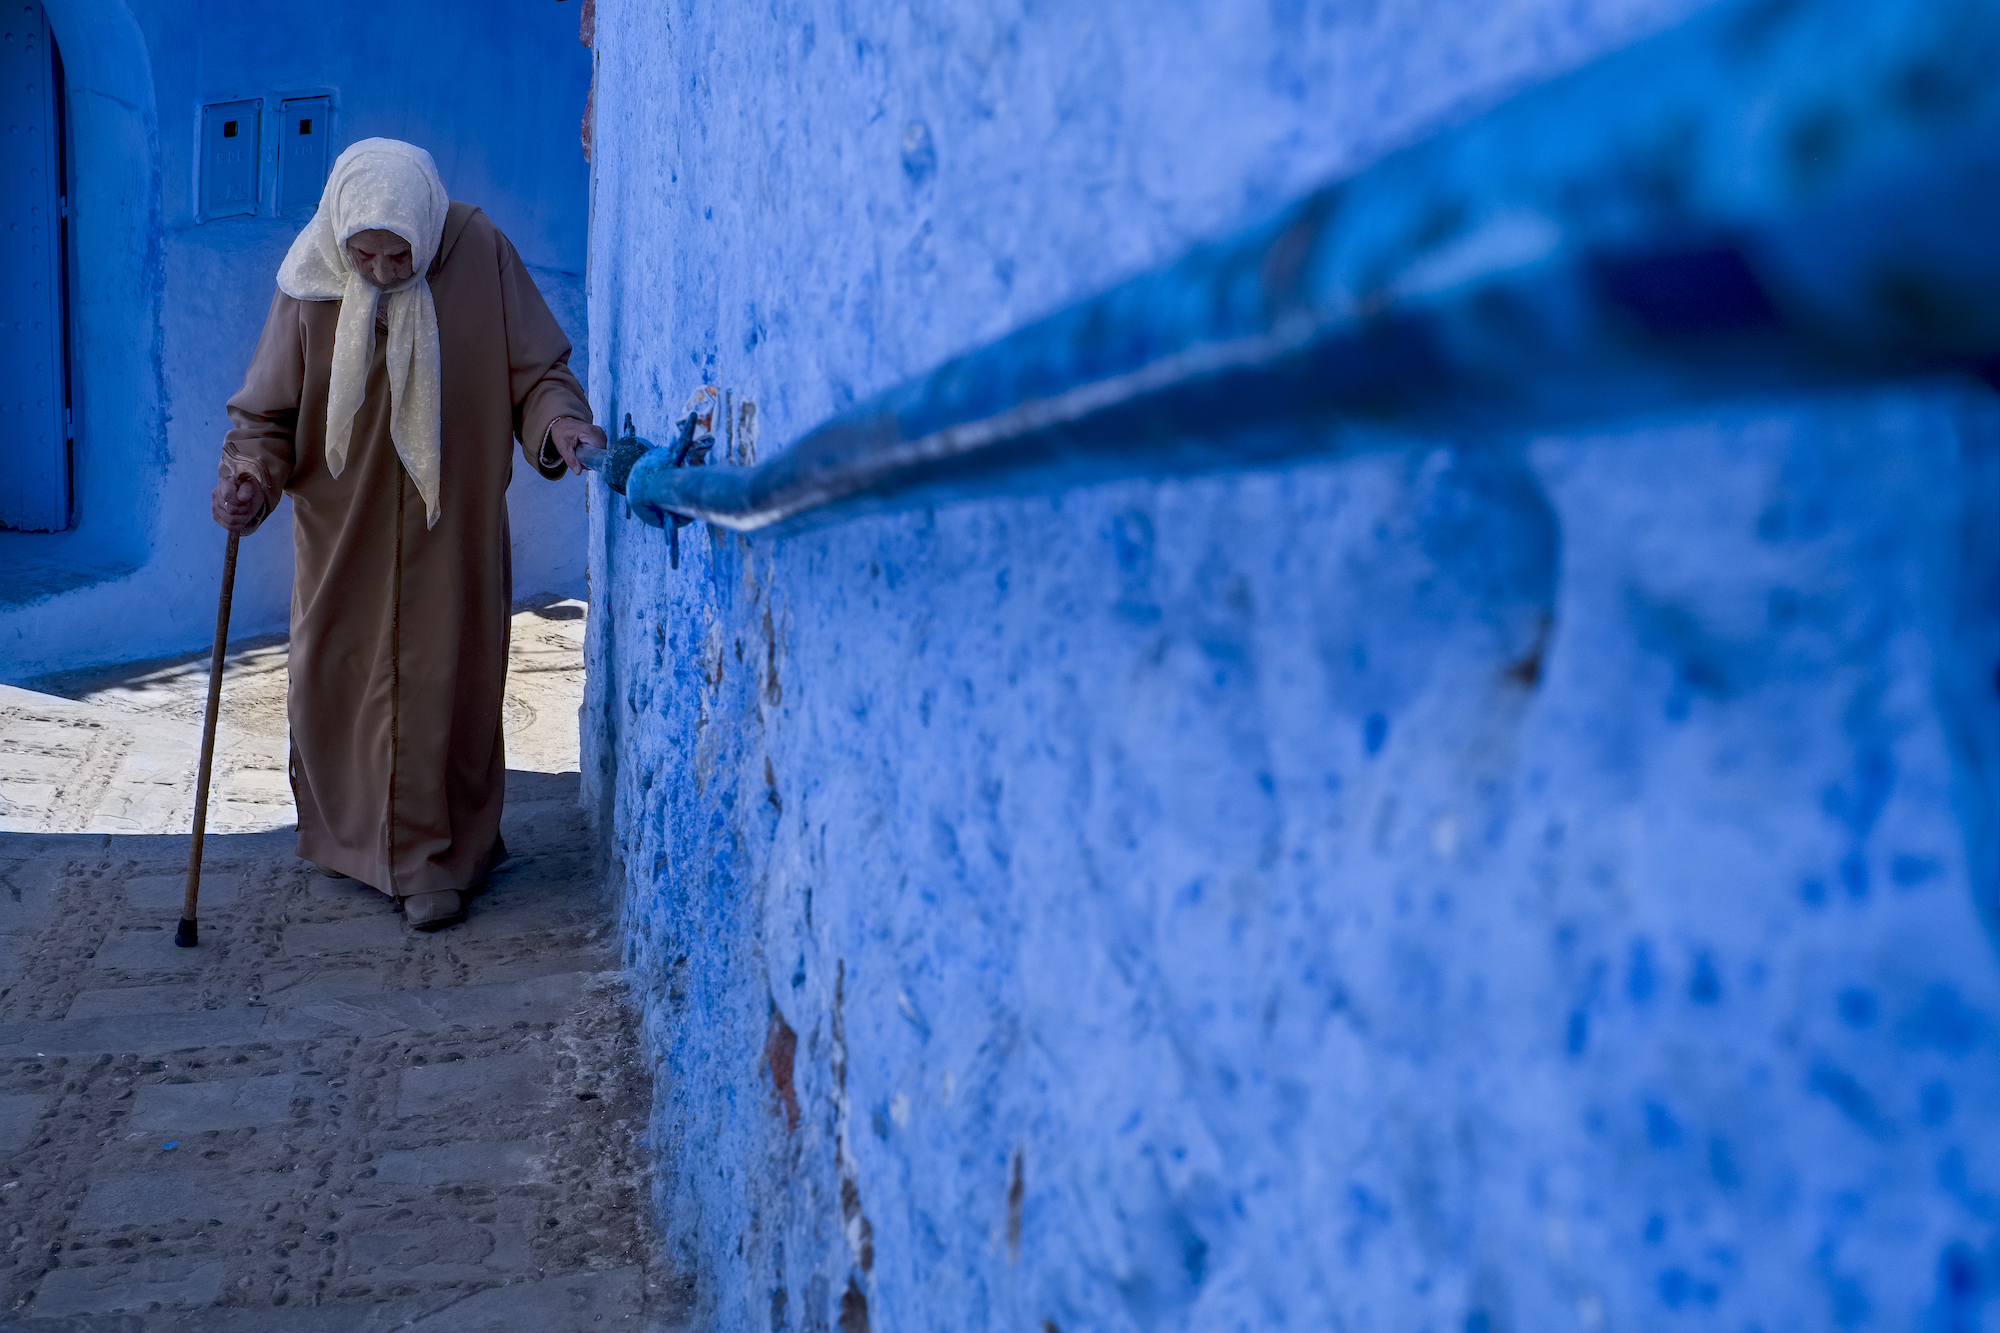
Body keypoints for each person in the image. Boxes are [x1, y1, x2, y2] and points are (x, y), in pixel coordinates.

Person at [211, 138, 605, 929]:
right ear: (341, 234)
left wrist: (561, 424)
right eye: (368, 255)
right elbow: (265, 414)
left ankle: (436, 857)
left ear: (426, 232)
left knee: (445, 680)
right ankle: (349, 839)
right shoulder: (310, 274)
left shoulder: (479, 250)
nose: (385, 271)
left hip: (448, 527)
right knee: (337, 679)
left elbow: (537, 373)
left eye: (401, 256)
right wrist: (248, 477)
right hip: (342, 532)